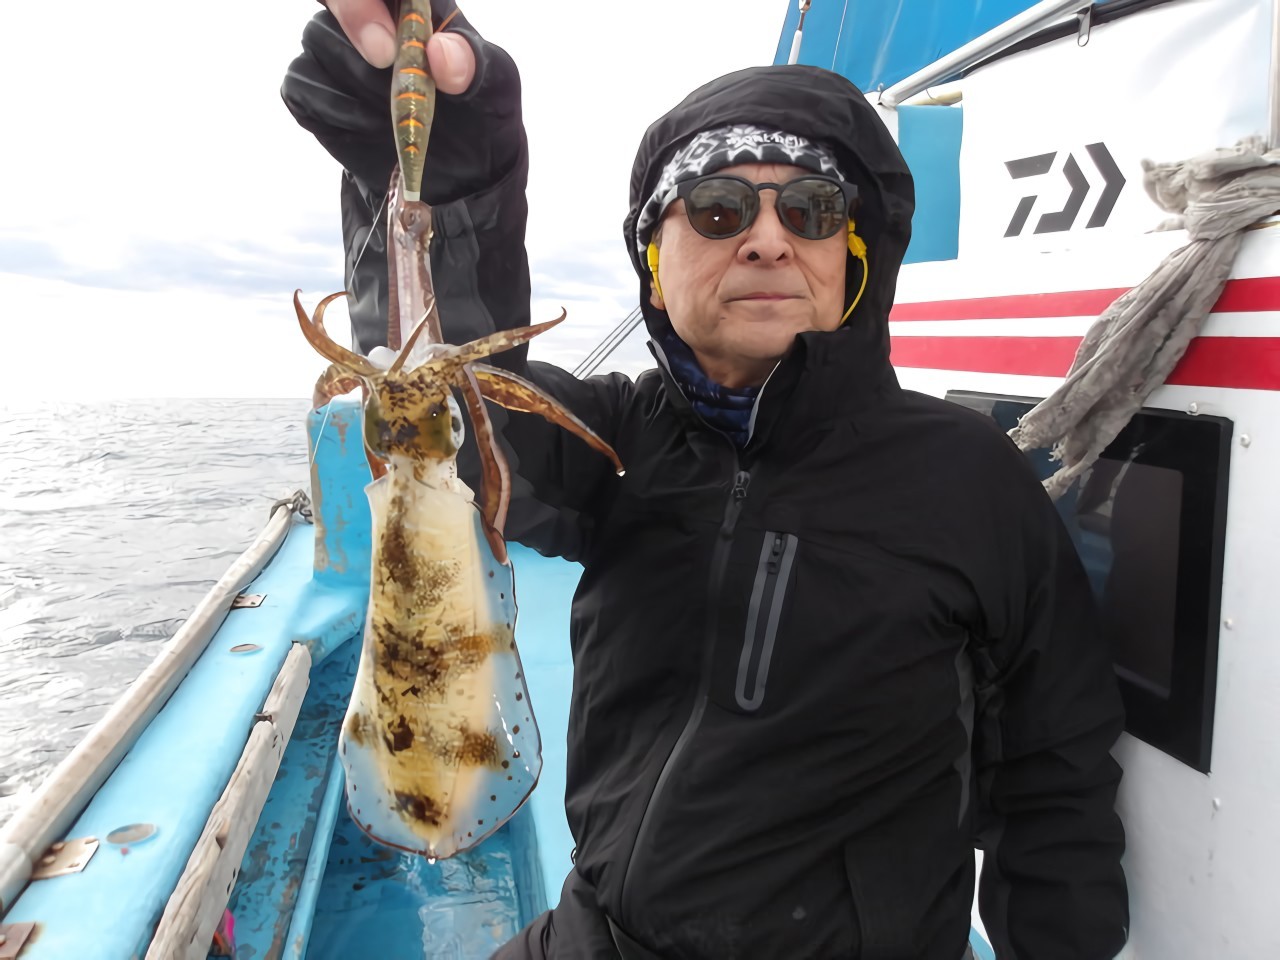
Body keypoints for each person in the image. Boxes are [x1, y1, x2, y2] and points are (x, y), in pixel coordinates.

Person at [282, 4, 1130, 957]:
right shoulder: (615, 441)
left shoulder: (973, 479)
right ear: (656, 258)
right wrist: (444, 177)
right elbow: (454, 404)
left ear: (853, 258)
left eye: (812, 210)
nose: (769, 240)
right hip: (597, 935)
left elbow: (1054, 778)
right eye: (720, 208)